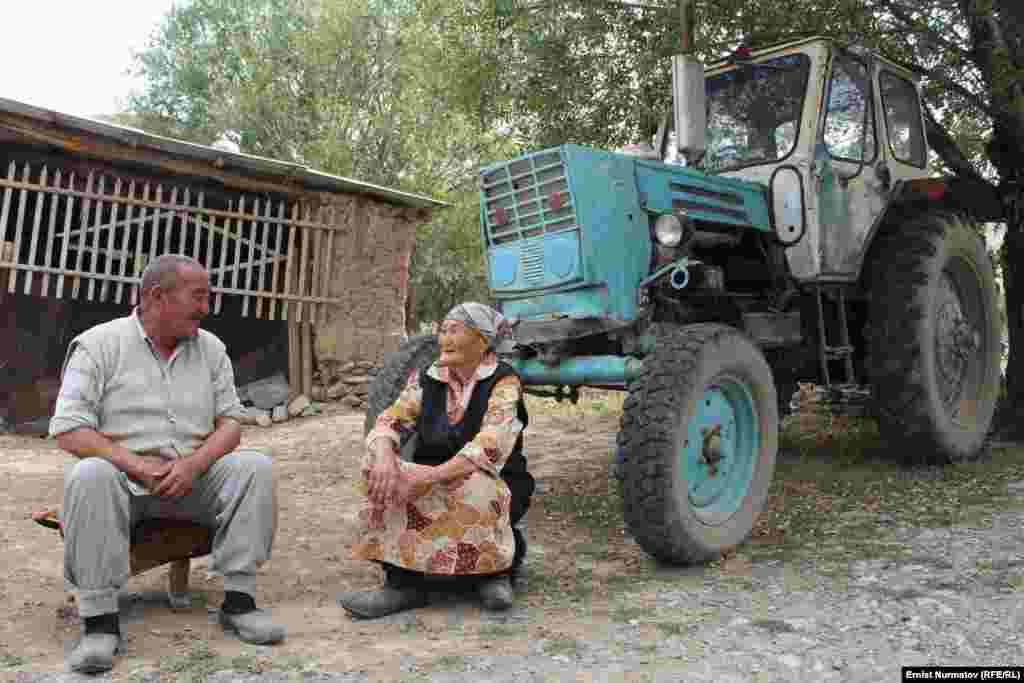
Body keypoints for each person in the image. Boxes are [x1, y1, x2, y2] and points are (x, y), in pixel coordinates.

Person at [49, 254, 285, 674]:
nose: (206, 308)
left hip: (192, 483)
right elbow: (68, 427)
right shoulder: (98, 345)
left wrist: (194, 465)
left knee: (255, 467)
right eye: (198, 296)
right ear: (157, 297)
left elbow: (232, 421)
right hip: (124, 485)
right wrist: (134, 465)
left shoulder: (210, 349)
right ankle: (100, 624)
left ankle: (239, 602)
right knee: (90, 473)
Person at [338, 302, 535, 619]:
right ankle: (403, 583)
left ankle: (492, 573)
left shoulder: (504, 382)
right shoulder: (430, 378)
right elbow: (391, 419)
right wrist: (386, 456)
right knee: (375, 467)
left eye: (454, 330)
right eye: (442, 330)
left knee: (477, 485)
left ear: (482, 341)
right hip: (433, 476)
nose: (444, 338)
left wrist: (430, 477)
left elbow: (489, 447)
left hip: (487, 477)